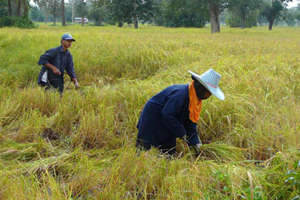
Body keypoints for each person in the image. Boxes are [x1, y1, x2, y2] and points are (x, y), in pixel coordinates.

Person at [136, 68, 225, 156]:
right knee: (143, 151)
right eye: (208, 93)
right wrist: (182, 133)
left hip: (169, 123)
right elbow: (168, 114)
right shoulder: (181, 94)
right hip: (153, 118)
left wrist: (196, 143)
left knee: (169, 154)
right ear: (201, 88)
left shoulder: (195, 101)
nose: (208, 96)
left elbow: (190, 122)